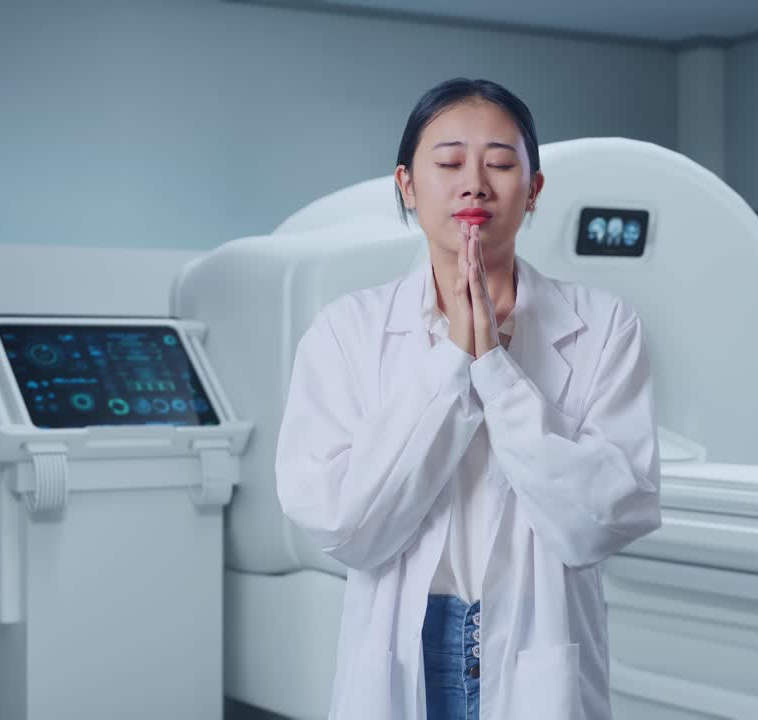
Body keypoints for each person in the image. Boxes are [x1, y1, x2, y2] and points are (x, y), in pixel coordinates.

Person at [275, 77, 661, 720]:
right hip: (408, 642)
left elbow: (602, 517)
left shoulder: (605, 324)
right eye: (449, 162)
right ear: (406, 185)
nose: (475, 183)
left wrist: (494, 369)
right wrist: (452, 360)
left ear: (533, 190)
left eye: (502, 164)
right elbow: (346, 525)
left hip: (539, 641)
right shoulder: (347, 331)